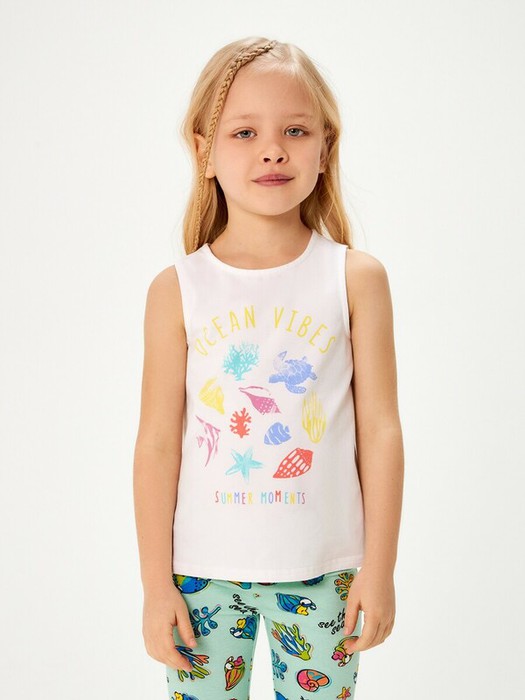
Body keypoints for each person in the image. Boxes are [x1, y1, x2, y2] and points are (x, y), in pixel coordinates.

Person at [133, 36, 404, 700]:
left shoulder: (355, 278)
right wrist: (155, 585)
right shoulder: (178, 289)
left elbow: (381, 431)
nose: (273, 150)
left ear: (325, 147)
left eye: (295, 131)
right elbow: (158, 442)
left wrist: (379, 570)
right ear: (203, 150)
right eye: (245, 132)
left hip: (326, 573)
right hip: (200, 578)